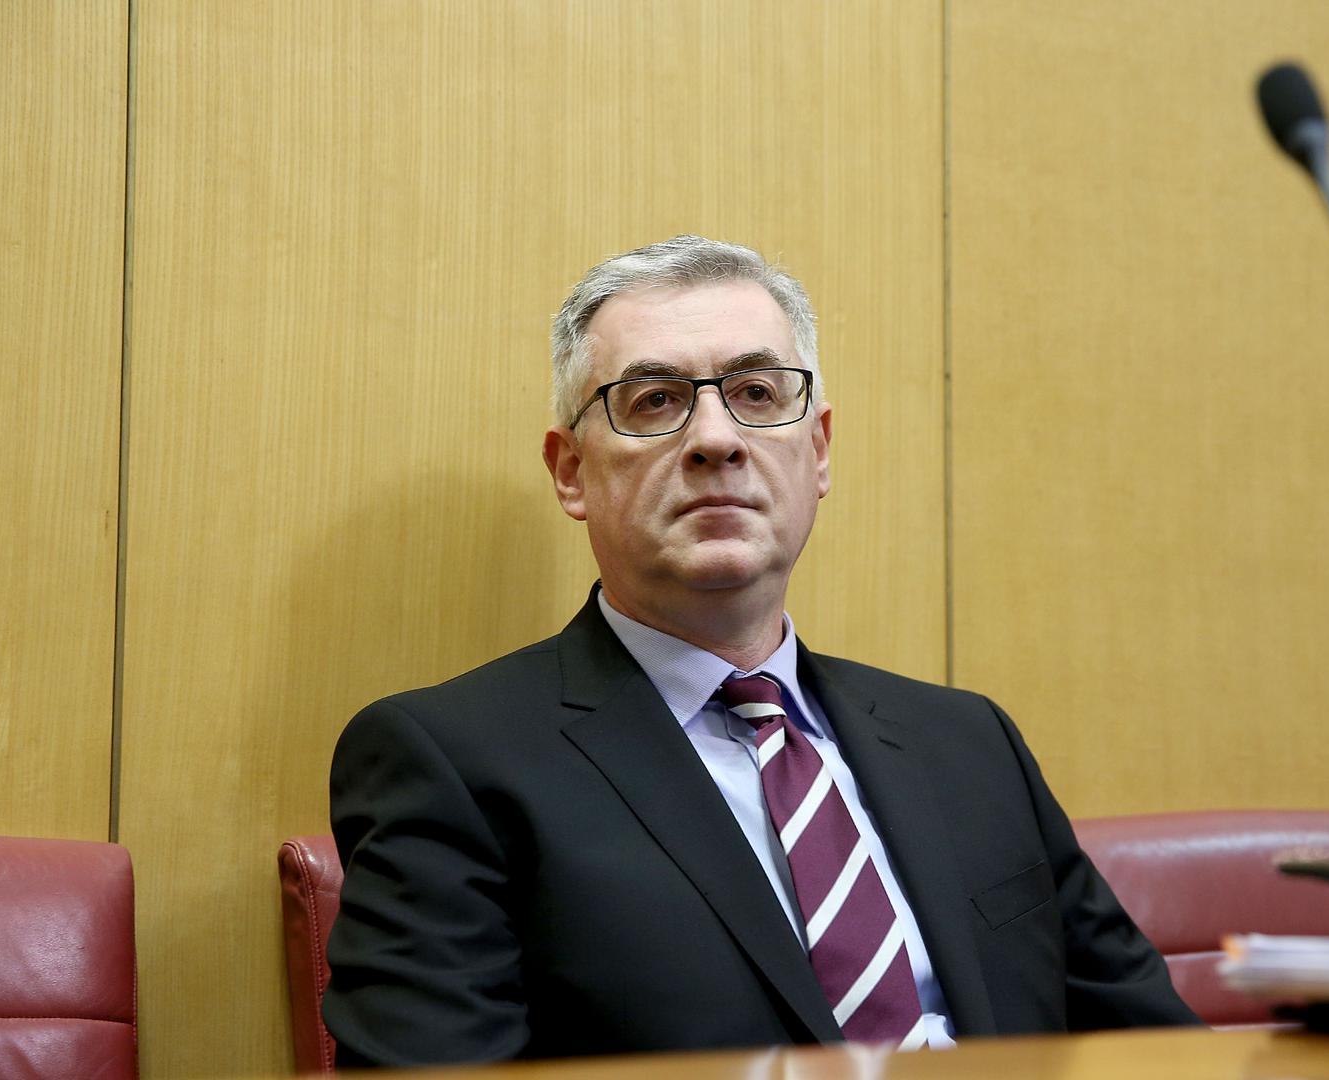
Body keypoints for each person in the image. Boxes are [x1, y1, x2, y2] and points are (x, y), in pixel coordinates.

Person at [322, 236, 1197, 1067]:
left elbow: (1162, 1049)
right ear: (571, 472)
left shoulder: (969, 743)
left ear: (817, 452)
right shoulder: (451, 764)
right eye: (654, 401)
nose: (715, 439)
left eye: (757, 393)